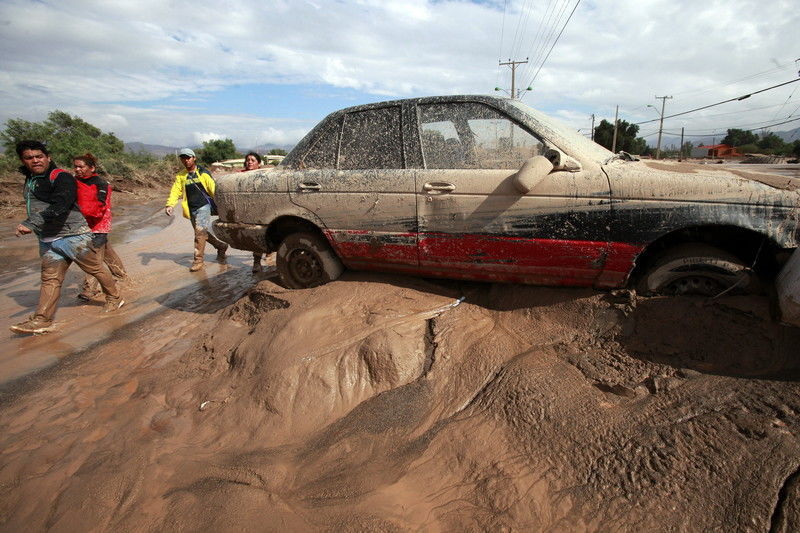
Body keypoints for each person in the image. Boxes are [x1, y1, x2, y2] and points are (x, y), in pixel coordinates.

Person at [11, 141, 123, 335]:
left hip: (74, 236)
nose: (35, 160)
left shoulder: (61, 177)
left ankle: (114, 298)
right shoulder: (31, 179)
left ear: (48, 157)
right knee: (50, 279)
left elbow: (61, 204)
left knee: (95, 268)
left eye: (39, 156)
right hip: (48, 239)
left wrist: (31, 223)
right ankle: (42, 320)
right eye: (29, 158)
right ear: (23, 160)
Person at [73, 153, 128, 300]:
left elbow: (100, 206)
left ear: (92, 167)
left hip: (99, 224)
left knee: (92, 257)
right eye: (75, 166)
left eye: (81, 166)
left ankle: (89, 289)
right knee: (106, 251)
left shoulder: (101, 184)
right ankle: (121, 275)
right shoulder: (74, 182)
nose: (77, 169)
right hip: (83, 224)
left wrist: (81, 214)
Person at [165, 148, 228, 271]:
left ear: (194, 158)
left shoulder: (203, 173)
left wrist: (223, 204)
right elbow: (175, 191)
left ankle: (198, 261)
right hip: (190, 209)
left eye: (188, 157)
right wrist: (170, 205)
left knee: (199, 233)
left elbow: (213, 189)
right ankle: (221, 246)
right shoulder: (181, 176)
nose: (186, 160)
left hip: (203, 207)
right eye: (183, 158)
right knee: (202, 233)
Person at [241, 152, 266, 272]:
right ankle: (259, 258)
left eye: (253, 160)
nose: (249, 162)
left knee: (258, 234)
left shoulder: (263, 176)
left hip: (261, 209)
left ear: (259, 164)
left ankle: (257, 261)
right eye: (248, 160)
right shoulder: (240, 176)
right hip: (245, 210)